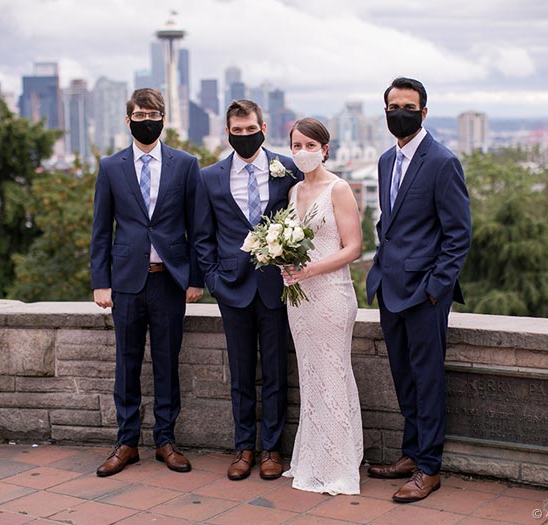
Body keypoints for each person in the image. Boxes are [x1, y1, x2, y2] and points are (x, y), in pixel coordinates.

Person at [366, 77, 472, 502]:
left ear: (424, 113)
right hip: (390, 289)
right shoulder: (385, 161)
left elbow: (458, 234)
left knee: (427, 380)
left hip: (425, 295)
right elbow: (388, 223)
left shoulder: (442, 162)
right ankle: (411, 453)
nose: (400, 113)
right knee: (403, 377)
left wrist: (436, 288)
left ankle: (429, 467)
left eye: (408, 107)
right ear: (385, 111)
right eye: (393, 106)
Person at [90, 88, 203, 477]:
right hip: (125, 282)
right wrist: (100, 283)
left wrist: (195, 278)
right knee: (127, 363)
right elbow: (101, 230)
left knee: (168, 363)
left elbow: (198, 227)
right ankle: (126, 442)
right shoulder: (110, 167)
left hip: (170, 281)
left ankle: (166, 441)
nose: (146, 120)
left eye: (153, 114)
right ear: (128, 120)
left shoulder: (186, 165)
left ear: (163, 118)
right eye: (139, 114)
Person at [194, 100, 300, 481]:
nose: (243, 135)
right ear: (227, 132)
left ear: (263, 127)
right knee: (240, 373)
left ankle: (271, 449)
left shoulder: (287, 170)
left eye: (249, 129)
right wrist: (214, 281)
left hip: (275, 287)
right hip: (232, 289)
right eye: (236, 131)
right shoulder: (209, 177)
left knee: (275, 371)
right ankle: (243, 448)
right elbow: (203, 236)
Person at [279, 118, 364, 495]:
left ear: (325, 149)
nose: (303, 152)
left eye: (311, 145)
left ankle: (339, 463)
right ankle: (313, 457)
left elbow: (353, 248)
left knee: (332, 372)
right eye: (297, 145)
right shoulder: (294, 191)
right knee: (310, 374)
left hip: (331, 293)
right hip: (299, 300)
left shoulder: (339, 188)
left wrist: (310, 268)